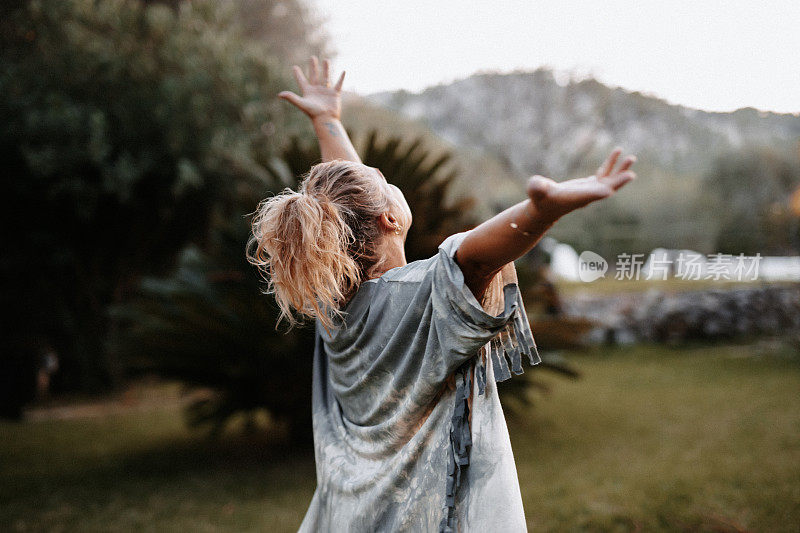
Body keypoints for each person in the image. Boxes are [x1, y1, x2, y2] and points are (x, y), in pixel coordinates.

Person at [248, 57, 636, 532]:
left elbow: (345, 193)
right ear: (390, 218)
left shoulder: (333, 302)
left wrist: (327, 120)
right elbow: (471, 258)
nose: (389, 181)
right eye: (387, 183)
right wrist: (541, 213)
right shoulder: (421, 296)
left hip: (356, 513)